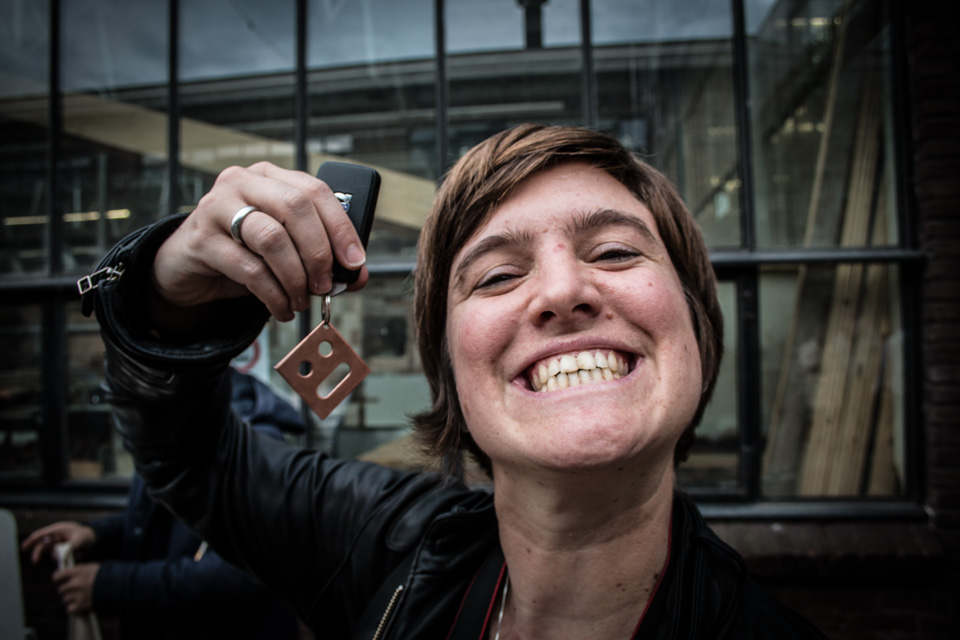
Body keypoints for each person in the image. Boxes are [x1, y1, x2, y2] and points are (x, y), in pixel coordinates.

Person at [79, 123, 828, 639]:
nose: (562, 291)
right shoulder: (377, 544)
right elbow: (190, 460)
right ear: (452, 372)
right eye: (497, 275)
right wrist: (161, 299)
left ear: (695, 324)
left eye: (615, 253)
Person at [21, 370, 303, 640]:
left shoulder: (253, 442)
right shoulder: (171, 422)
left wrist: (109, 585)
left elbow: (245, 572)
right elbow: (161, 519)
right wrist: (96, 535)